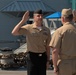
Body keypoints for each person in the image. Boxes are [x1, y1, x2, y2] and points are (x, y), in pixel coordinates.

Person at [12, 9, 51, 75]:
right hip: (32, 57)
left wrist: (47, 61)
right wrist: (23, 21)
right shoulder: (28, 28)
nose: (40, 17)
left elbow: (48, 46)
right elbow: (14, 32)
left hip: (42, 57)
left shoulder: (46, 30)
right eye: (38, 16)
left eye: (41, 16)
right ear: (34, 17)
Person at [49, 8, 76, 75]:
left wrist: (55, 67)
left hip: (64, 64)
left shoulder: (59, 31)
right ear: (72, 18)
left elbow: (55, 51)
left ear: (63, 18)